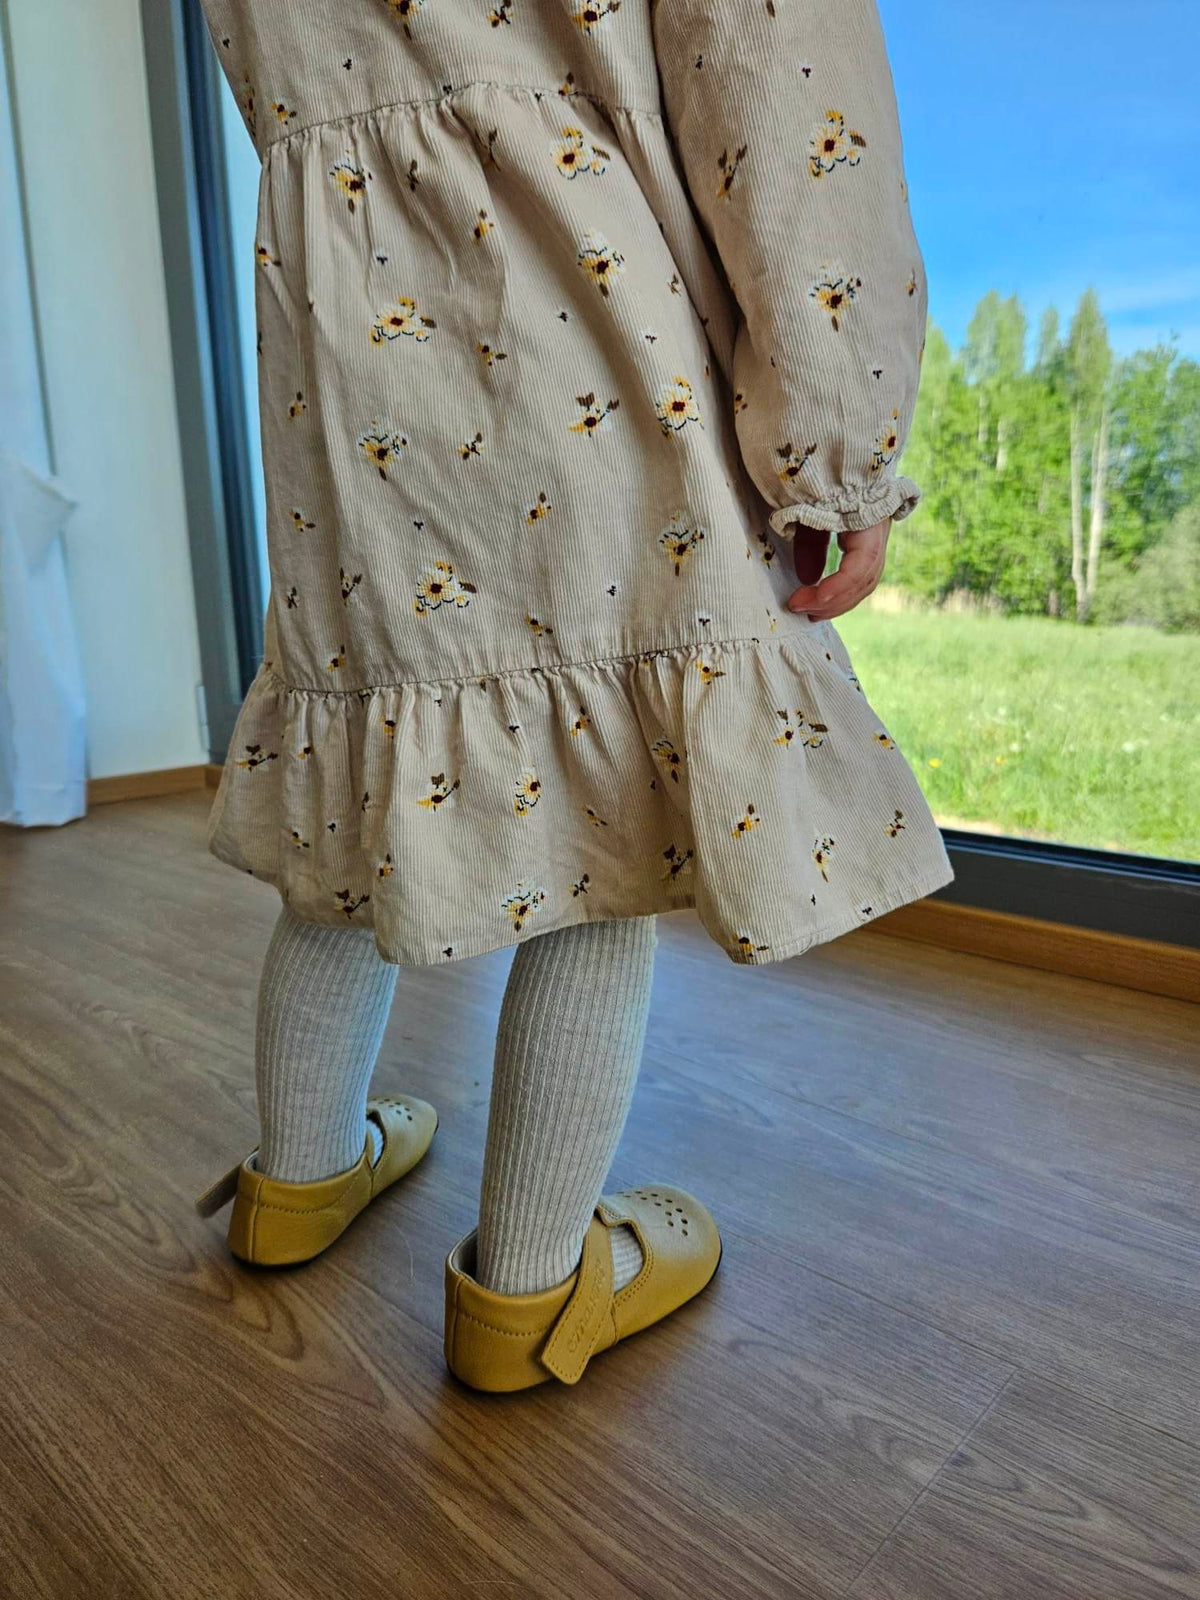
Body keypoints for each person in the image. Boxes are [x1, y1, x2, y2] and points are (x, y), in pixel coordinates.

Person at [194, 0, 953, 1393]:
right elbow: (776, 86)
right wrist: (837, 445)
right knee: (608, 813)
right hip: (568, 286)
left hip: (338, 313)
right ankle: (533, 1292)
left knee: (372, 737)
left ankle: (294, 1180)